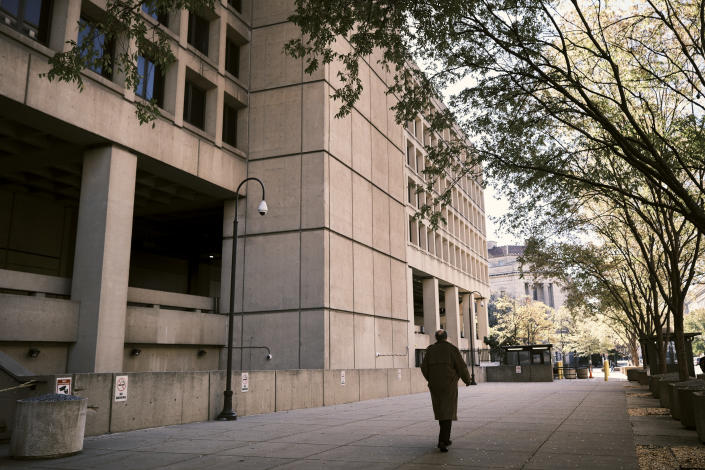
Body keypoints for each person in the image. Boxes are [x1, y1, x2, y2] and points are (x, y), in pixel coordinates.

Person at [420, 329, 472, 452]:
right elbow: (461, 366)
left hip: (435, 386)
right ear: (446, 337)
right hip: (449, 385)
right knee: (447, 411)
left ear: (436, 338)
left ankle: (445, 439)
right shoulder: (452, 349)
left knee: (440, 411)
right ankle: (443, 440)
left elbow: (424, 368)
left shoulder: (430, 350)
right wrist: (467, 380)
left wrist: (431, 379)